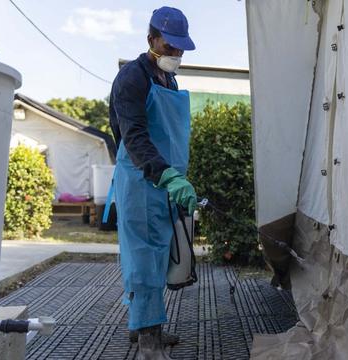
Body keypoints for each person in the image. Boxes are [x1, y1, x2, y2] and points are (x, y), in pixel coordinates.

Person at [108, 6, 197, 359]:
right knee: (143, 259)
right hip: (142, 180)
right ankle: (148, 343)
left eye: (180, 49)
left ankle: (143, 327)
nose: (175, 54)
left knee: (159, 256)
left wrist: (176, 177)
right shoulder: (133, 78)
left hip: (165, 181)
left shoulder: (168, 79)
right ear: (151, 40)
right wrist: (167, 175)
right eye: (169, 46)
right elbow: (134, 136)